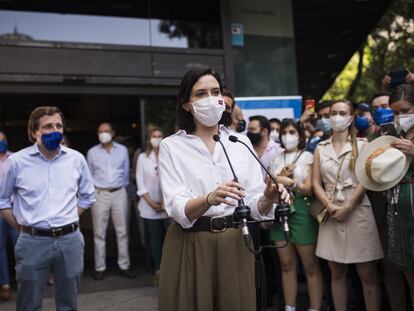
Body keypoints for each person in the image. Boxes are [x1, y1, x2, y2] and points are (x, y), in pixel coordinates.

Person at [157, 66, 290, 311]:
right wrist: (209, 198)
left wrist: (269, 197)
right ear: (186, 104)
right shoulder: (171, 146)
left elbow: (254, 204)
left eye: (215, 91)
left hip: (236, 242)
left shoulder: (240, 142)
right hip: (191, 244)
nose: (210, 98)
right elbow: (176, 207)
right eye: (200, 93)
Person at [0, 106, 95, 310]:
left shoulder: (76, 159)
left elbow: (88, 196)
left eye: (59, 126)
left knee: (68, 303)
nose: (55, 130)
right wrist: (21, 227)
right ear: (34, 132)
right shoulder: (16, 162)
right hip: (32, 241)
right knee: (28, 303)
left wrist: (70, 216)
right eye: (48, 126)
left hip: (70, 241)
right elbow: (2, 201)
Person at [312, 100, 383, 311]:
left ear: (351, 117)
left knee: (367, 275)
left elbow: (366, 179)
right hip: (331, 212)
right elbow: (316, 182)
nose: (336, 116)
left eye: (342, 113)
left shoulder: (362, 145)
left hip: (359, 212)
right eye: (333, 112)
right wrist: (329, 204)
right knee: (336, 273)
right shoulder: (320, 148)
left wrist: (349, 206)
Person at [269, 119, 323, 311]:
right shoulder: (275, 158)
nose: (287, 136)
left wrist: (291, 182)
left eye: (292, 132)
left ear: (300, 135)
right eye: (284, 132)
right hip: (281, 210)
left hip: (301, 209)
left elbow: (310, 189)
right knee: (286, 264)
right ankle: (289, 306)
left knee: (310, 265)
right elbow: (269, 185)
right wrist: (281, 176)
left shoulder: (308, 156)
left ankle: (315, 307)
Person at [87, 122, 135, 280]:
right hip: (99, 193)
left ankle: (124, 265)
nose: (103, 134)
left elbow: (126, 172)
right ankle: (100, 267)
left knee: (122, 232)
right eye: (100, 131)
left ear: (113, 133)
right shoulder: (92, 152)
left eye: (106, 131)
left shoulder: (122, 151)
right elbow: (89, 175)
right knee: (99, 233)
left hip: (119, 192)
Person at [386, 83, 414, 305]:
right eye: (395, 112)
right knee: (409, 275)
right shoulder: (391, 134)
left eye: (405, 111)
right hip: (398, 211)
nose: (400, 116)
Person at [136, 127, 169, 285]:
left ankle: (171, 269)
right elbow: (140, 181)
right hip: (149, 206)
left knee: (169, 239)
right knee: (155, 240)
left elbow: (173, 180)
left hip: (168, 206)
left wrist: (165, 203)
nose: (157, 138)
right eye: (154, 136)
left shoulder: (169, 156)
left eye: (159, 135)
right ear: (149, 139)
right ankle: (158, 271)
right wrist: (151, 202)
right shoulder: (143, 157)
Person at [0, 131, 19, 302]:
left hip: (14, 209)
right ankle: (5, 284)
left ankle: (23, 280)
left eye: (2, 140)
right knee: (0, 249)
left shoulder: (15, 159)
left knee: (20, 245)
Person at [247, 115, 282, 179]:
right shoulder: (245, 149)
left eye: (252, 129)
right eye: (248, 129)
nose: (249, 132)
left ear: (264, 131)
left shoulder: (279, 150)